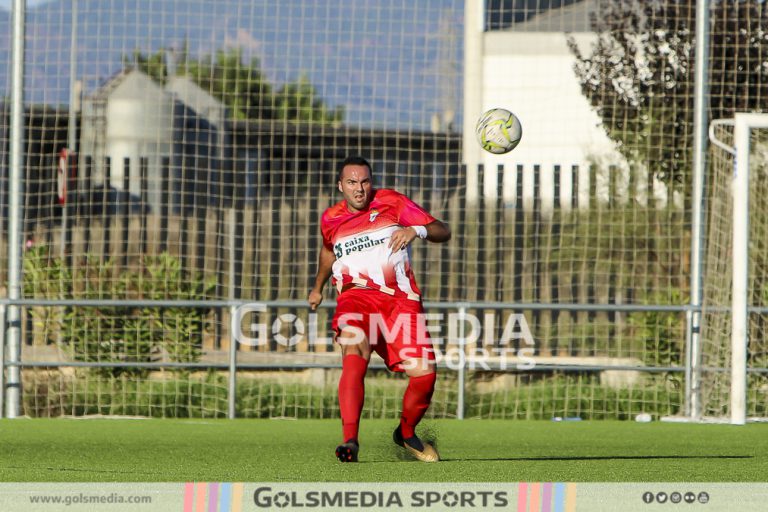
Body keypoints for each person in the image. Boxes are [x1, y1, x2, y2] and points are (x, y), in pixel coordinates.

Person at [308, 155, 451, 463]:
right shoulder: (331, 218)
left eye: (364, 182)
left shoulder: (393, 203)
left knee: (425, 376)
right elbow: (327, 251)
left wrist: (418, 231)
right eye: (351, 183)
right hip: (355, 298)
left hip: (400, 302)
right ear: (340, 186)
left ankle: (406, 432)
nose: (359, 189)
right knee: (354, 350)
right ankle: (350, 440)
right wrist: (318, 287)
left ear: (371, 182)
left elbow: (443, 230)